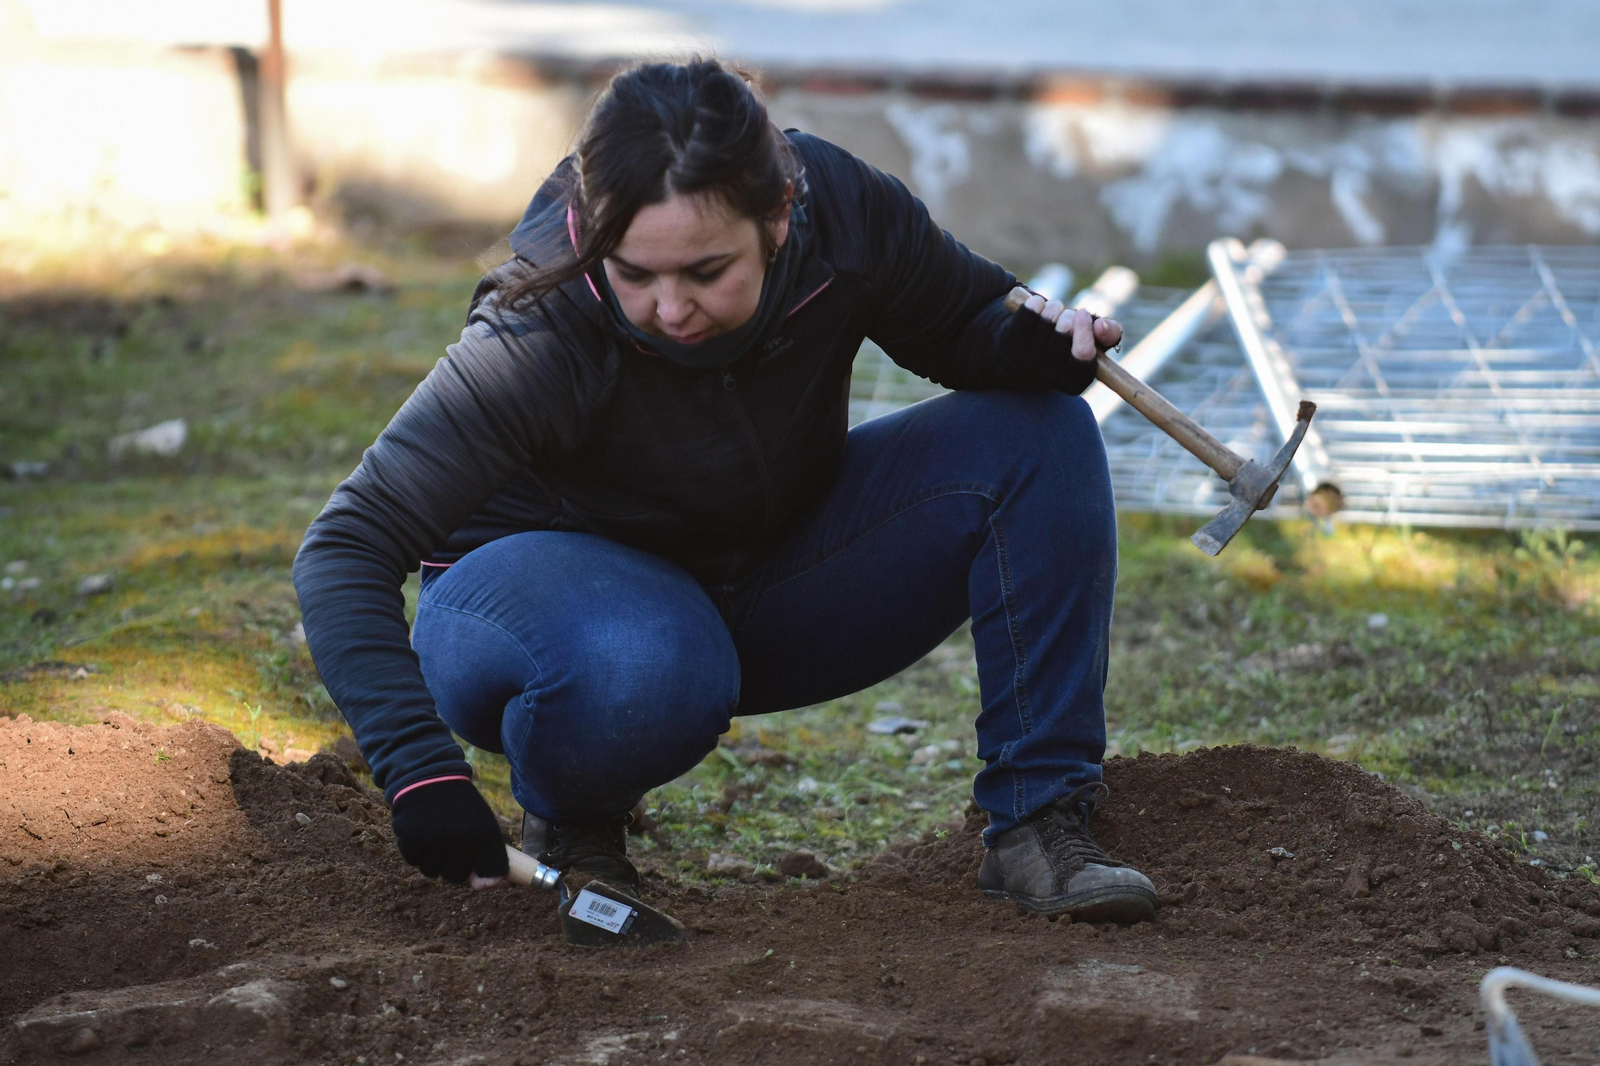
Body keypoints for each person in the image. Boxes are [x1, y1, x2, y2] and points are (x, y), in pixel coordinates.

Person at [292, 58, 1156, 923]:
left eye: (706, 272)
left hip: (761, 573)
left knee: (1037, 435)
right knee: (646, 658)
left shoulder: (844, 213)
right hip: (540, 616)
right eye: (635, 273)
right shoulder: (541, 325)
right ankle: (574, 823)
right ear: (595, 231)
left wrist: (1031, 351)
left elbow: (964, 323)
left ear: (781, 214)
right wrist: (421, 770)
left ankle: (1039, 824)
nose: (668, 308)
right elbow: (344, 548)